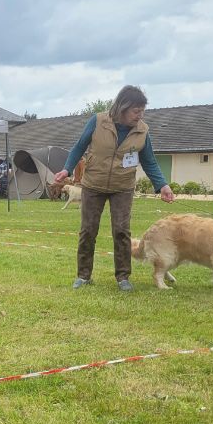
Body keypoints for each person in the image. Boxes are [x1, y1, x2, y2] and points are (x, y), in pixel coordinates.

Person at [52, 85, 175, 292]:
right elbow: (79, 146)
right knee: (88, 231)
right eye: (136, 111)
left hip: (122, 186)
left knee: (121, 231)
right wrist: (66, 169)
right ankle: (83, 276)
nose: (140, 115)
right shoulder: (98, 121)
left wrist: (162, 185)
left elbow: (149, 161)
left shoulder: (142, 130)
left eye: (142, 111)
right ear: (122, 107)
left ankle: (123, 277)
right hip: (93, 185)